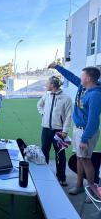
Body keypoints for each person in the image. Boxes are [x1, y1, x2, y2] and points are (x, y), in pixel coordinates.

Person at [49, 62, 101, 198]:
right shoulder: (82, 86)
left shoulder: (95, 95)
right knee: (80, 158)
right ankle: (79, 186)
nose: (80, 77)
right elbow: (70, 76)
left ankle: (93, 190)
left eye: (82, 75)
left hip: (87, 132)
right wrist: (57, 67)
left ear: (88, 78)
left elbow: (93, 120)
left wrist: (85, 139)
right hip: (79, 129)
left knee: (86, 160)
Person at [37, 76, 72, 186]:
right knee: (44, 151)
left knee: (60, 154)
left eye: (47, 83)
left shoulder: (66, 98)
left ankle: (61, 177)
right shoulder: (46, 95)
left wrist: (65, 131)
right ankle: (44, 174)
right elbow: (39, 105)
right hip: (46, 129)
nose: (46, 85)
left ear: (52, 85)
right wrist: (43, 114)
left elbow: (69, 116)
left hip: (59, 131)